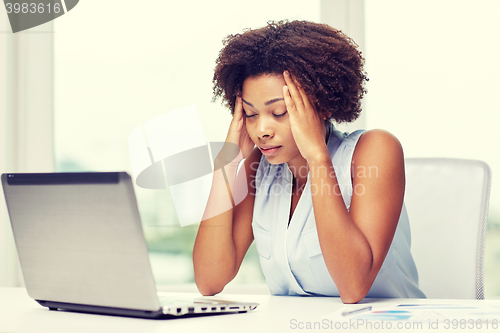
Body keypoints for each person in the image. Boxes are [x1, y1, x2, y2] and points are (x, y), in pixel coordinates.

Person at [193, 20, 425, 303]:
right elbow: (209, 280)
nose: (262, 130)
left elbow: (353, 287)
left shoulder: (374, 150)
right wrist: (225, 167)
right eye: (251, 115)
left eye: (279, 112)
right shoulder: (259, 168)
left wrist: (317, 157)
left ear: (323, 106)